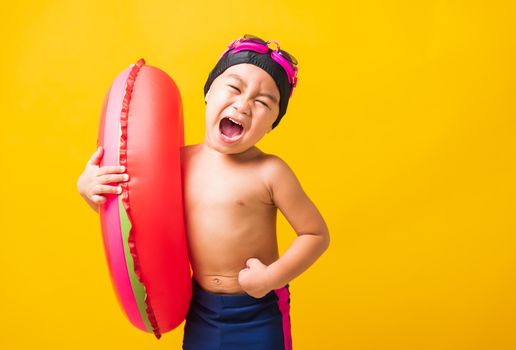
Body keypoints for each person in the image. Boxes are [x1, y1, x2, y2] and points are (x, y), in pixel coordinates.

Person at [77, 34, 329, 350]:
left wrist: (272, 278)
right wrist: (91, 192)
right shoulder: (174, 164)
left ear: (272, 125)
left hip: (259, 308)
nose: (243, 104)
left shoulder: (271, 172)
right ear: (208, 92)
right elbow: (133, 222)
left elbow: (315, 234)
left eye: (263, 102)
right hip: (202, 309)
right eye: (234, 88)